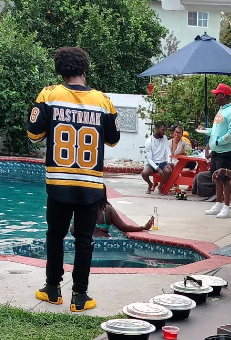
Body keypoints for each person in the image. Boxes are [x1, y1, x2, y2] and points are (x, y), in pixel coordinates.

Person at [27, 46, 120, 313]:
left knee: (55, 235)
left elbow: (34, 135)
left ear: (60, 70)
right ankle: (80, 297)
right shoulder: (103, 100)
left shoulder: (48, 95)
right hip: (90, 185)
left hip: (58, 183)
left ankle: (53, 289)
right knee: (84, 239)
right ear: (84, 69)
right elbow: (113, 140)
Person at [197, 83, 231, 219]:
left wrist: (217, 142)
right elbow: (217, 130)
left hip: (225, 151)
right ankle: (218, 204)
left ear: (223, 95)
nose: (215, 96)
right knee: (216, 178)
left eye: (217, 94)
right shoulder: (222, 110)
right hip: (216, 151)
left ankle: (226, 207)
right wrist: (206, 131)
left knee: (225, 178)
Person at [72, 190, 154, 237]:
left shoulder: (82, 208)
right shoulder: (107, 209)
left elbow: (73, 230)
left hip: (87, 242)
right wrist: (143, 227)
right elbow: (123, 227)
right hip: (105, 243)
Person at [142, 122, 171, 193]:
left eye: (165, 130)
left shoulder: (164, 138)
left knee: (168, 171)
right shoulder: (149, 141)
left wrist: (169, 163)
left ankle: (160, 186)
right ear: (157, 129)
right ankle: (150, 184)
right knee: (144, 173)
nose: (164, 133)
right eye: (162, 130)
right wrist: (157, 169)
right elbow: (149, 158)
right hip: (152, 163)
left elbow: (168, 152)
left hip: (162, 162)